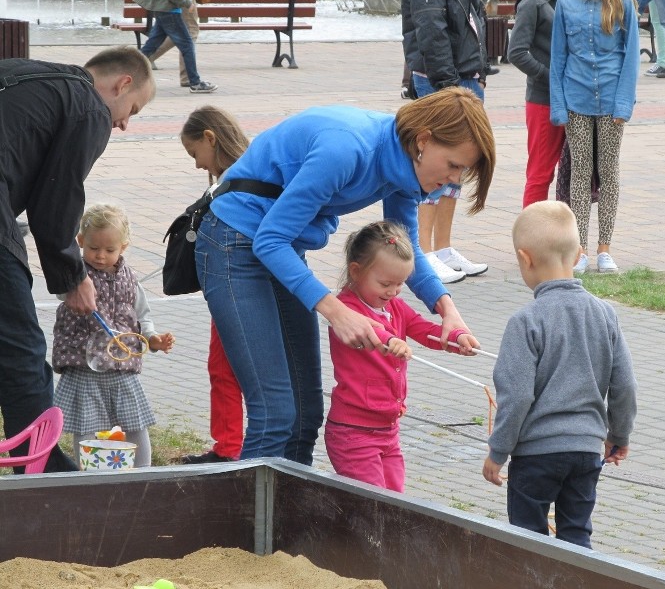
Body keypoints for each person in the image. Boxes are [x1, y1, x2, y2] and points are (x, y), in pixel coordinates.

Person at [195, 86, 495, 465]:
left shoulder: (406, 171)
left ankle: (288, 518)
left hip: (279, 246)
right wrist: (337, 311)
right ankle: (248, 522)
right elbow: (270, 241)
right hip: (232, 242)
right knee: (275, 413)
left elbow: (410, 251)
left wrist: (446, 310)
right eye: (453, 165)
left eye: (462, 172)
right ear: (423, 140)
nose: (453, 180)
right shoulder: (348, 150)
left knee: (304, 414)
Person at [0, 46, 155, 473]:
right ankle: (42, 470)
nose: (123, 123)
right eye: (132, 109)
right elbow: (57, 199)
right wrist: (73, 276)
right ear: (122, 84)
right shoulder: (88, 106)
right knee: (20, 349)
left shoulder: (25, 73)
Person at [482, 200, 637, 548]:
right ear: (580, 252)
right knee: (576, 534)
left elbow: (517, 396)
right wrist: (619, 434)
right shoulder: (605, 314)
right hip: (585, 451)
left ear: (525, 258)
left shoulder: (526, 321)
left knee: (528, 540)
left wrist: (498, 451)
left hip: (536, 454)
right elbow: (625, 385)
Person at [325, 221, 476, 492]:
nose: (393, 291)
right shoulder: (346, 309)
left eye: (400, 284)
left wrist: (456, 339)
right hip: (353, 432)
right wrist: (392, 341)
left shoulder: (395, 306)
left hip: (388, 430)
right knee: (374, 506)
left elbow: (425, 330)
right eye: (385, 283)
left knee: (396, 501)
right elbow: (373, 334)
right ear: (356, 272)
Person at [52, 205, 175, 469]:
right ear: (80, 242)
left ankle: (142, 475)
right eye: (93, 248)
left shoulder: (130, 278)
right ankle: (91, 476)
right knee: (87, 426)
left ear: (124, 247)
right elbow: (62, 293)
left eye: (110, 250)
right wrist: (73, 280)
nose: (100, 256)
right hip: (84, 365)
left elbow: (142, 314)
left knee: (136, 424)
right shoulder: (76, 275)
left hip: (123, 367)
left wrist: (152, 338)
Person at [401, 0, 490, 284]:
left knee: (458, 166)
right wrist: (449, 88)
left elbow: (476, 23)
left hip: (467, 78)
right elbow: (431, 34)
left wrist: (479, 74)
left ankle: (443, 249)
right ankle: (423, 254)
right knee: (434, 164)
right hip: (444, 82)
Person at [550, 0, 639, 274]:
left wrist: (624, 104)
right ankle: (580, 250)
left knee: (609, 169)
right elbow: (558, 57)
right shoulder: (565, 2)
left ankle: (605, 249)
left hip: (612, 99)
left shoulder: (622, 1)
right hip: (576, 99)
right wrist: (559, 105)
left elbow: (630, 57)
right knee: (580, 172)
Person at [178, 106, 249, 464]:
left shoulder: (241, 180)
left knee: (235, 371)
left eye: (195, 154)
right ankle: (227, 447)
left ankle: (232, 448)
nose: (196, 165)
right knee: (222, 369)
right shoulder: (235, 177)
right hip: (227, 288)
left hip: (239, 288)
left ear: (210, 138)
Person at [508, 0, 575, 207]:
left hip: (569, 98)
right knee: (540, 174)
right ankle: (530, 240)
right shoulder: (534, 1)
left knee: (569, 174)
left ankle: (559, 236)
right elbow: (516, 52)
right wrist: (550, 78)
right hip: (543, 100)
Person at [134, 0, 217, 93]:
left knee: (153, 44)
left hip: (167, 7)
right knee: (187, 41)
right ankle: (194, 82)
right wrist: (187, 2)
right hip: (174, 5)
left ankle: (128, 69)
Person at [147, 0, 204, 88]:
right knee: (188, 37)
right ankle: (191, 79)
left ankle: (135, 63)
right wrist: (187, 2)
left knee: (166, 38)